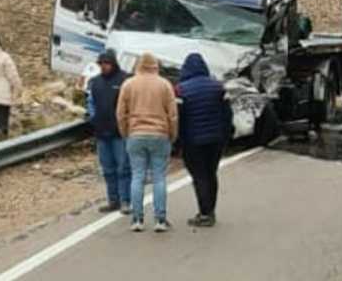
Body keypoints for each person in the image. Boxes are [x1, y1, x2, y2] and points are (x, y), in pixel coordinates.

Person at [116, 53, 177, 233]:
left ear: (139, 65)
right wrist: (172, 135)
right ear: (155, 65)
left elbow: (120, 114)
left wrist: (125, 133)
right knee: (159, 177)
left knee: (137, 176)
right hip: (159, 134)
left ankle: (137, 219)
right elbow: (173, 115)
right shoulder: (164, 85)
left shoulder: (128, 84)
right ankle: (160, 219)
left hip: (135, 134)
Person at [176, 53, 233, 228]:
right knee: (211, 173)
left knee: (199, 176)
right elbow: (227, 114)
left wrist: (178, 141)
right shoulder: (218, 87)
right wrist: (226, 135)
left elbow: (178, 117)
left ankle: (204, 213)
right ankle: (211, 211)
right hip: (216, 140)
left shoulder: (181, 90)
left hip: (193, 141)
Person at [86, 49, 132, 214]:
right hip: (101, 132)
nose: (104, 66)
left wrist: (126, 123)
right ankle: (113, 200)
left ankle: (126, 200)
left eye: (106, 63)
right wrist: (94, 117)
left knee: (123, 168)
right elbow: (90, 102)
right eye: (101, 63)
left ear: (113, 63)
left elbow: (131, 104)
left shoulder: (125, 80)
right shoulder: (95, 82)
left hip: (120, 133)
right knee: (107, 170)